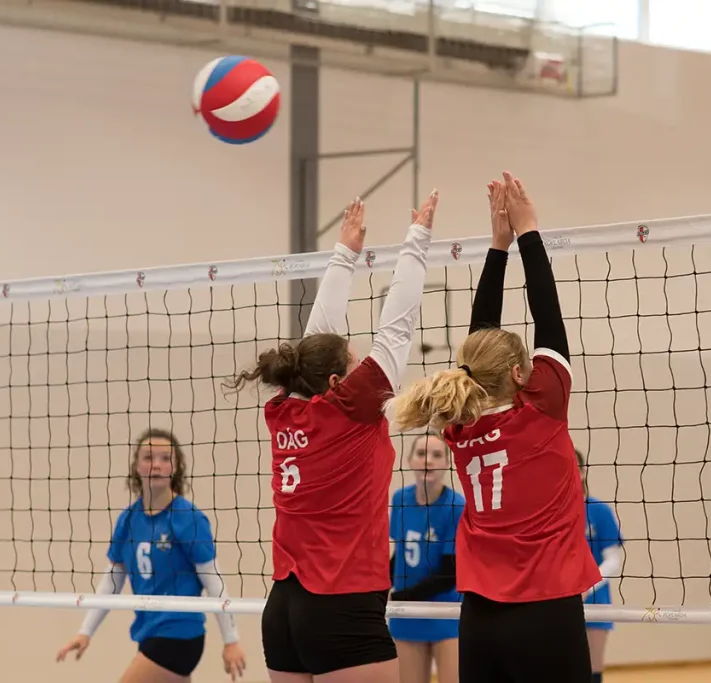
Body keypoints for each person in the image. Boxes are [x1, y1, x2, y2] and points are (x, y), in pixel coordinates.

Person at [390, 172, 599, 683]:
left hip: (480, 615)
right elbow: (548, 317)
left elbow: (480, 345)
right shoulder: (541, 410)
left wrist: (503, 243)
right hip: (547, 608)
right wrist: (526, 233)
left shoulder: (459, 424)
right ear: (519, 375)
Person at [227, 193, 438, 683]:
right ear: (339, 383)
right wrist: (417, 240)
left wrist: (345, 255)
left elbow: (314, 346)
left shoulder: (284, 410)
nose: (362, 361)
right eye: (353, 361)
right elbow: (397, 329)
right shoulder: (351, 410)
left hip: (283, 610)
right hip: (341, 606)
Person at [56, 428, 246, 683]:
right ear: (136, 466)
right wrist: (85, 631)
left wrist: (231, 640)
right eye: (148, 457)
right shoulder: (128, 520)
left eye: (165, 458)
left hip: (179, 634)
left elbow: (214, 581)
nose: (156, 464)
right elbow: (112, 581)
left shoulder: (187, 518)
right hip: (148, 632)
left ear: (175, 468)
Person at [389, 433, 465, 683]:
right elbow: (399, 554)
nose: (428, 460)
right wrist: (380, 589)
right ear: (410, 460)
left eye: (436, 455)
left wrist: (399, 597)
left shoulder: (456, 505)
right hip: (407, 615)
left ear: (447, 463)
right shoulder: (400, 499)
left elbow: (449, 574)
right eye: (421, 454)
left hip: (446, 612)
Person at [575, 448, 624, 683]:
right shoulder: (548, 513)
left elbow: (613, 560)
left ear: (583, 472)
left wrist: (587, 586)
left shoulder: (599, 510)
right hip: (557, 601)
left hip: (595, 601)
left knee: (592, 671)